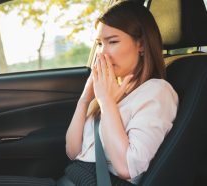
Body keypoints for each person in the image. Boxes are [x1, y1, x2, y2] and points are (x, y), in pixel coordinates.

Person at [62, 1, 178, 185]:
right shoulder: (109, 89)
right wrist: (85, 99)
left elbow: (126, 168)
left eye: (113, 42)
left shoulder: (157, 91)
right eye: (100, 44)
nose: (102, 53)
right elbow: (73, 152)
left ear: (140, 44)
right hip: (72, 178)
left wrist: (107, 103)